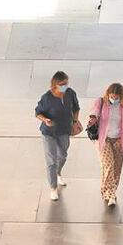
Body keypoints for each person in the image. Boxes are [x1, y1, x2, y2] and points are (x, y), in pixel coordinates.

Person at [86, 82, 123, 207]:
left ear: (121, 96)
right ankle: (109, 194)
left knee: (117, 168)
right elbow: (94, 111)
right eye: (112, 96)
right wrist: (92, 118)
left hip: (119, 140)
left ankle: (110, 190)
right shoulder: (101, 102)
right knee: (108, 165)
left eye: (116, 97)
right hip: (104, 139)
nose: (114, 99)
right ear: (108, 94)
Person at [35, 71, 81, 201]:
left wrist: (75, 121)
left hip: (64, 130)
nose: (65, 86)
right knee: (51, 161)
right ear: (55, 84)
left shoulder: (70, 93)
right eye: (62, 84)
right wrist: (45, 120)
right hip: (49, 133)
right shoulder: (47, 98)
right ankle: (53, 188)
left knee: (63, 155)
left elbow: (76, 108)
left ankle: (58, 172)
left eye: (66, 83)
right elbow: (38, 112)